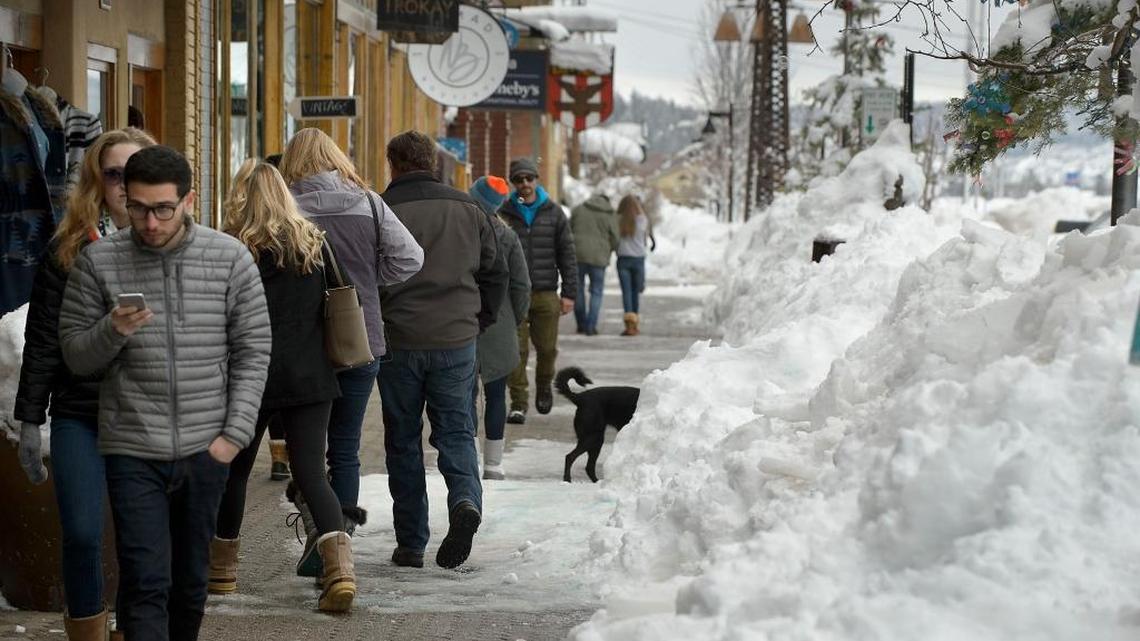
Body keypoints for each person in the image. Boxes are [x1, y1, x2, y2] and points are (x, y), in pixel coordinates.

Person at [57, 145, 271, 641]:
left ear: (189, 200)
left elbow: (254, 350)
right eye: (137, 208)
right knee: (146, 579)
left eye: (162, 209)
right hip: (133, 447)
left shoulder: (230, 257)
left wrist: (232, 437)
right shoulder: (99, 262)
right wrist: (112, 330)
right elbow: (75, 357)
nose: (150, 223)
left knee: (190, 583)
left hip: (206, 449)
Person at [14, 127, 155, 640]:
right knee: (80, 532)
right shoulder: (69, 251)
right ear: (99, 181)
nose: (125, 185)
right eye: (114, 174)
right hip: (81, 414)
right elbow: (43, 343)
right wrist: (30, 419)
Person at [209, 160, 355, 612]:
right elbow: (343, 295)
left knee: (233, 473)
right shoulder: (315, 245)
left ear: (241, 199)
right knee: (312, 472)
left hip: (249, 377)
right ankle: (340, 572)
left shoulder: (231, 249)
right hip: (310, 375)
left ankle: (221, 573)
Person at [279, 128, 423, 573]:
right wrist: (364, 283)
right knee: (345, 447)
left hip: (301, 346)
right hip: (360, 339)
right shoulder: (369, 203)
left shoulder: (284, 208)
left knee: (306, 450)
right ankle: (338, 548)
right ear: (334, 158)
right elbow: (411, 258)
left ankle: (319, 536)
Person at [378, 131, 508, 569]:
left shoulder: (382, 208)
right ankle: (465, 501)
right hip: (456, 339)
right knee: (455, 431)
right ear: (432, 161)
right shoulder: (470, 208)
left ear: (393, 164)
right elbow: (496, 272)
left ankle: (411, 542)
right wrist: (478, 321)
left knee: (403, 441)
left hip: (399, 339)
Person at [499, 158, 577, 424]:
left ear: (536, 180)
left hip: (545, 293)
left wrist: (569, 293)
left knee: (546, 348)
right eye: (519, 180)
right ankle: (518, 402)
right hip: (513, 294)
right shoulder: (504, 211)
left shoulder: (554, 213)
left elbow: (567, 254)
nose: (524, 184)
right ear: (513, 183)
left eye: (528, 179)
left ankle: (544, 385)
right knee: (516, 350)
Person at [467, 176, 531, 480]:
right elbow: (522, 285)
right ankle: (493, 464)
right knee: (495, 396)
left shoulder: (460, 231)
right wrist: (512, 320)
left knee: (463, 396)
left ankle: (466, 459)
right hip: (499, 324)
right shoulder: (507, 236)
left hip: (461, 321)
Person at [570, 193, 619, 336]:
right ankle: (591, 326)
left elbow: (568, 229)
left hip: (577, 254)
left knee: (578, 289)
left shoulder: (578, 209)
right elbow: (616, 238)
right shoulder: (609, 213)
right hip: (599, 257)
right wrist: (610, 249)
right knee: (596, 291)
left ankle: (581, 324)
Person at [616, 194, 656, 337]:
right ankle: (635, 324)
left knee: (626, 293)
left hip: (623, 259)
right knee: (635, 292)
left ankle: (629, 325)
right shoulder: (643, 220)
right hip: (638, 259)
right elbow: (647, 236)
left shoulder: (618, 220)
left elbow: (614, 239)